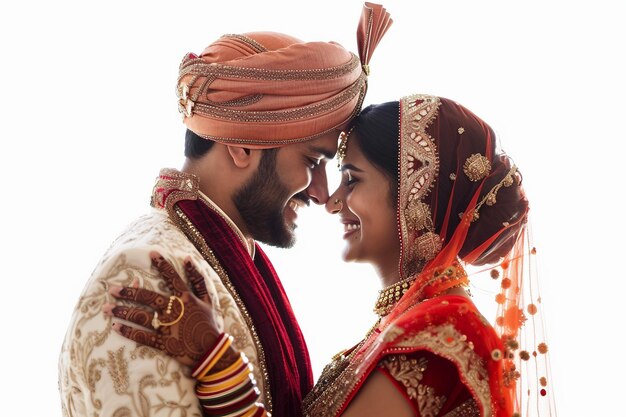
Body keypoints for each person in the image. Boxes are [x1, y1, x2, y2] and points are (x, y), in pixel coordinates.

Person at [111, 92, 555, 417]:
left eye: (352, 180)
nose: (333, 201)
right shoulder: (406, 325)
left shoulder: (442, 335)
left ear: (415, 200)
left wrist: (214, 360)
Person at [57, 4, 392, 417]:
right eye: (311, 161)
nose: (323, 195)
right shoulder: (151, 273)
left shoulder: (224, 257)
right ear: (242, 144)